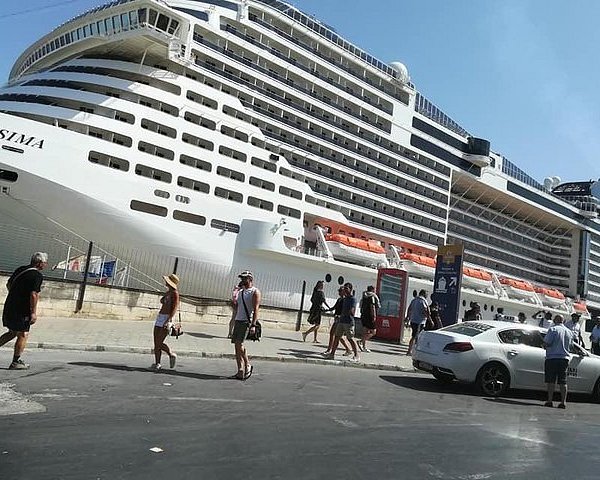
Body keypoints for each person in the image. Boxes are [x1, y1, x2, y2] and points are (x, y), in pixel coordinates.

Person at [0, 252, 48, 370]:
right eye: (45, 262)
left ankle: (16, 361)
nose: (46, 265)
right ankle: (16, 362)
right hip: (22, 310)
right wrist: (33, 312)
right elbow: (33, 294)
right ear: (39, 263)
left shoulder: (21, 269)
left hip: (10, 306)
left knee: (12, 332)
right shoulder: (37, 276)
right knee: (23, 334)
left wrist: (15, 295)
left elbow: (8, 284)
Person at [231, 270, 261, 380]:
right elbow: (236, 307)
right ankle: (240, 370)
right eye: (241, 278)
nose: (242, 280)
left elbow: (256, 309)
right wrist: (233, 300)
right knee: (236, 346)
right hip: (238, 319)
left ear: (250, 279)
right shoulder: (241, 292)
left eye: (244, 278)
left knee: (239, 344)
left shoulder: (255, 292)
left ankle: (247, 364)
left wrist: (253, 325)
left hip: (246, 321)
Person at [543, 314, 573, 409]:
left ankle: (549, 400)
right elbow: (571, 346)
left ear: (555, 320)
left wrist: (543, 345)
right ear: (563, 321)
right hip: (564, 358)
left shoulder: (553, 329)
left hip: (552, 357)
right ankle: (563, 402)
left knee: (551, 380)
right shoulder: (569, 332)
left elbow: (547, 342)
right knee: (563, 381)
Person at [151, 274, 180, 371]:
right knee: (156, 342)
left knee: (159, 342)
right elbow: (162, 301)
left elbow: (175, 307)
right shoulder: (168, 292)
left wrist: (169, 320)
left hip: (167, 317)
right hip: (160, 316)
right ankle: (157, 363)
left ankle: (171, 354)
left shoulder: (175, 293)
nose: (166, 282)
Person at [324, 283, 360, 362]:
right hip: (341, 321)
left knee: (350, 338)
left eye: (346, 288)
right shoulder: (345, 299)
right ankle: (332, 354)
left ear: (350, 289)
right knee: (337, 337)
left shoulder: (352, 299)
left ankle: (356, 355)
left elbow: (352, 312)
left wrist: (347, 313)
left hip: (349, 321)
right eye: (344, 288)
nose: (345, 290)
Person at [322, 287, 352, 357]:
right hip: (337, 318)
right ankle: (348, 349)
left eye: (340, 291)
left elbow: (344, 310)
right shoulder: (339, 299)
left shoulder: (344, 300)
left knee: (333, 333)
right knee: (338, 336)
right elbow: (334, 307)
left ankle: (329, 350)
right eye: (339, 291)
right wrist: (326, 310)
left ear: (343, 292)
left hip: (340, 319)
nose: (339, 292)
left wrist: (340, 316)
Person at [406, 289, 432, 356]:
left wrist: (407, 317)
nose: (427, 296)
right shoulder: (423, 301)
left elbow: (409, 309)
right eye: (426, 294)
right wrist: (430, 320)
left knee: (415, 336)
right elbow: (426, 311)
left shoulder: (414, 300)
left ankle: (411, 350)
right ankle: (410, 351)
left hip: (413, 320)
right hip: (419, 321)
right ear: (423, 294)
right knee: (416, 337)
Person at [359, 285, 380, 352]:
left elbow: (361, 305)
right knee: (373, 332)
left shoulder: (364, 296)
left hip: (363, 315)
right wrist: (374, 315)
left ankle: (364, 347)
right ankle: (361, 341)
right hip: (370, 316)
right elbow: (372, 306)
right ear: (372, 289)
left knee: (365, 331)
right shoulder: (372, 297)